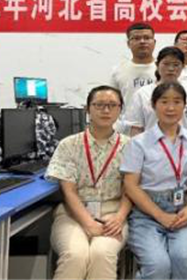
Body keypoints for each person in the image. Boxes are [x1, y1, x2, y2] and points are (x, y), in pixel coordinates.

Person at [46, 85, 132, 280]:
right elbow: (68, 191)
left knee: (101, 254)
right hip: (72, 215)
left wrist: (119, 218)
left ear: (120, 110)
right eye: (99, 105)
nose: (106, 110)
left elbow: (130, 189)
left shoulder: (130, 146)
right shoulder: (69, 145)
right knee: (75, 255)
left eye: (112, 105)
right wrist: (87, 222)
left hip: (113, 215)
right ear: (87, 109)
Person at [121, 82, 187, 280]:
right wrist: (160, 215)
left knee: (182, 259)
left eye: (177, 102)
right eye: (164, 102)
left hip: (184, 211)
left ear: (185, 106)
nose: (170, 108)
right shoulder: (138, 143)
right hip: (146, 213)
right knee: (158, 265)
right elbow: (130, 185)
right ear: (153, 105)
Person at [126, 46, 187, 136]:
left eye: (176, 65)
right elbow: (137, 128)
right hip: (151, 144)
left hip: (184, 143)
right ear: (157, 65)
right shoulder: (142, 94)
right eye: (166, 64)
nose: (171, 69)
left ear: (183, 66)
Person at [110, 22, 157, 134]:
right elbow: (112, 103)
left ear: (154, 42)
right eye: (136, 38)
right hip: (127, 131)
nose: (142, 41)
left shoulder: (165, 69)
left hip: (158, 129)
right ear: (128, 43)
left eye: (147, 38)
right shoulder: (118, 71)